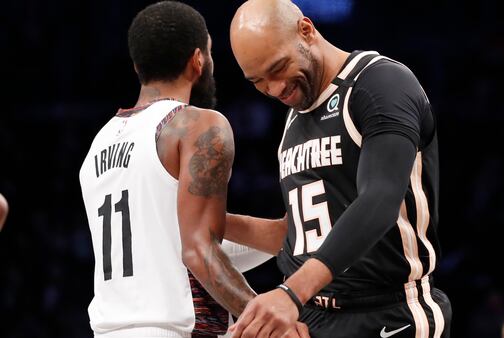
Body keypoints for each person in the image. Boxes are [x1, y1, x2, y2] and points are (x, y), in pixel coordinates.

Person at [79, 2, 308, 338]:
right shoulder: (195, 125)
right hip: (175, 329)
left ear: (137, 66)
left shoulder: (98, 144)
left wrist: (284, 235)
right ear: (198, 60)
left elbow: (170, 252)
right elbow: (198, 251)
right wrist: (267, 321)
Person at [226, 0, 452, 337]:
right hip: (312, 315)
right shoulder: (294, 119)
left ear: (306, 30)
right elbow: (298, 237)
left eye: (278, 68)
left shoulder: (380, 82)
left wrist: (290, 293)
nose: (273, 89)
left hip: (389, 312)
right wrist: (212, 222)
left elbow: (379, 201)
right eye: (258, 81)